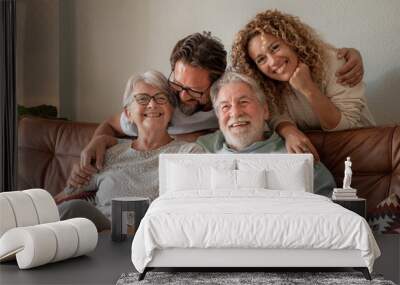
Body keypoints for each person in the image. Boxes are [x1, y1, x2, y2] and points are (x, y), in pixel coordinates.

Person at [73, 32, 363, 188]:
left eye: (194, 91)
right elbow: (113, 124)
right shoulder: (159, 99)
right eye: (178, 83)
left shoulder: (225, 106)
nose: (181, 96)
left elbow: (264, 113)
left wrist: (287, 130)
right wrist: (98, 139)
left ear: (212, 90)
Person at [56, 71, 203, 231]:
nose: (152, 105)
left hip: (147, 236)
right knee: (70, 208)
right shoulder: (109, 152)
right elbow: (65, 197)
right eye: (142, 99)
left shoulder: (187, 153)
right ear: (128, 113)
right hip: (96, 235)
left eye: (161, 98)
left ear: (171, 109)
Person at [231, 10, 375, 161]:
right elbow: (275, 117)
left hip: (364, 154)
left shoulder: (332, 62)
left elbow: (345, 126)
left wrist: (308, 89)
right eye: (261, 59)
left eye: (274, 48)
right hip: (320, 160)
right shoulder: (268, 86)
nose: (273, 62)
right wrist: (288, 131)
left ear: (292, 41)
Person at [197, 71, 336, 196]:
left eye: (244, 102)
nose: (235, 113)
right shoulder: (203, 151)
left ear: (265, 111)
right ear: (218, 117)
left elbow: (330, 208)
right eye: (225, 106)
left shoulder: (296, 154)